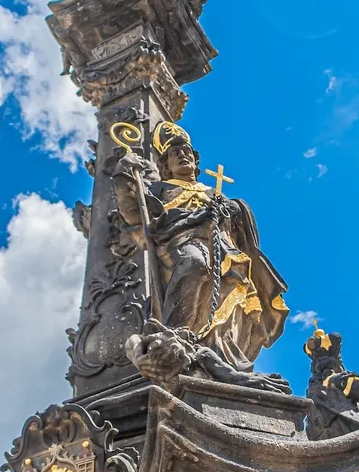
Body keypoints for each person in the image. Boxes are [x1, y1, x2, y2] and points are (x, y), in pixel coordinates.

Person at [114, 121, 288, 372]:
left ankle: (221, 350)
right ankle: (176, 333)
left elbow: (236, 224)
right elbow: (133, 213)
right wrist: (124, 174)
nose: (183, 156)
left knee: (231, 291)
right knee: (195, 264)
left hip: (223, 249)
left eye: (187, 152)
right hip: (180, 242)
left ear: (196, 161)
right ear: (165, 165)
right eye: (175, 154)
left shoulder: (211, 191)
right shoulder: (160, 189)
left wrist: (233, 209)